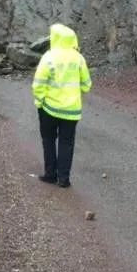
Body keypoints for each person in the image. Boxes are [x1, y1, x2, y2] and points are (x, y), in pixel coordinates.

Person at [32, 23, 92, 188]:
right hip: (71, 111)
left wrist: (39, 101)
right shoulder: (78, 58)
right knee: (67, 143)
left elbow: (38, 83)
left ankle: (50, 174)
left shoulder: (49, 57)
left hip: (48, 109)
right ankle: (63, 179)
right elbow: (87, 85)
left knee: (49, 140)